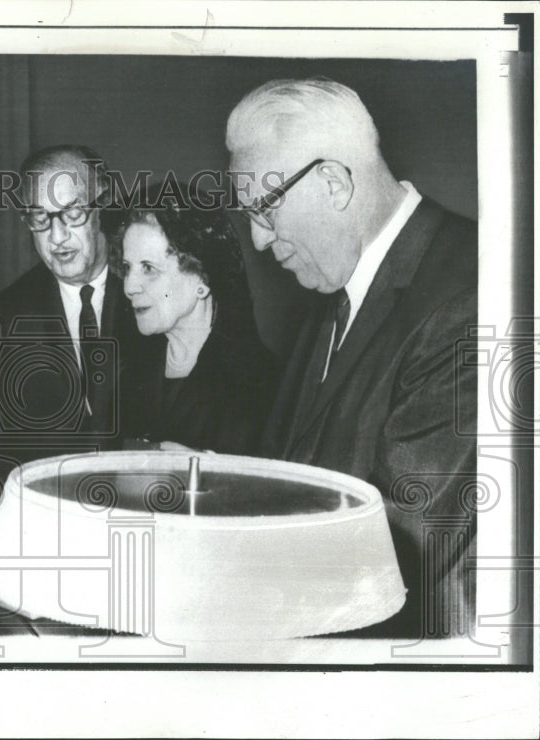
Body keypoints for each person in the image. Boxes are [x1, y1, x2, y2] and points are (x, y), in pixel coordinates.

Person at [226, 78, 477, 637]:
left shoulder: (469, 296)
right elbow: (293, 472)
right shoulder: (330, 289)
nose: (259, 241)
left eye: (264, 210)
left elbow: (397, 548)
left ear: (334, 182)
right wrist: (219, 486)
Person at [0, 144, 144, 534]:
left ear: (103, 204)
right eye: (40, 218)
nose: (57, 236)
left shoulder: (148, 284)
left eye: (73, 213)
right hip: (61, 528)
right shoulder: (16, 307)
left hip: (147, 519)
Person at [116, 181, 279, 454]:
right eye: (127, 267)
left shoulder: (260, 381)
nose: (129, 286)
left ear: (202, 279)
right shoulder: (127, 370)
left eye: (148, 268)